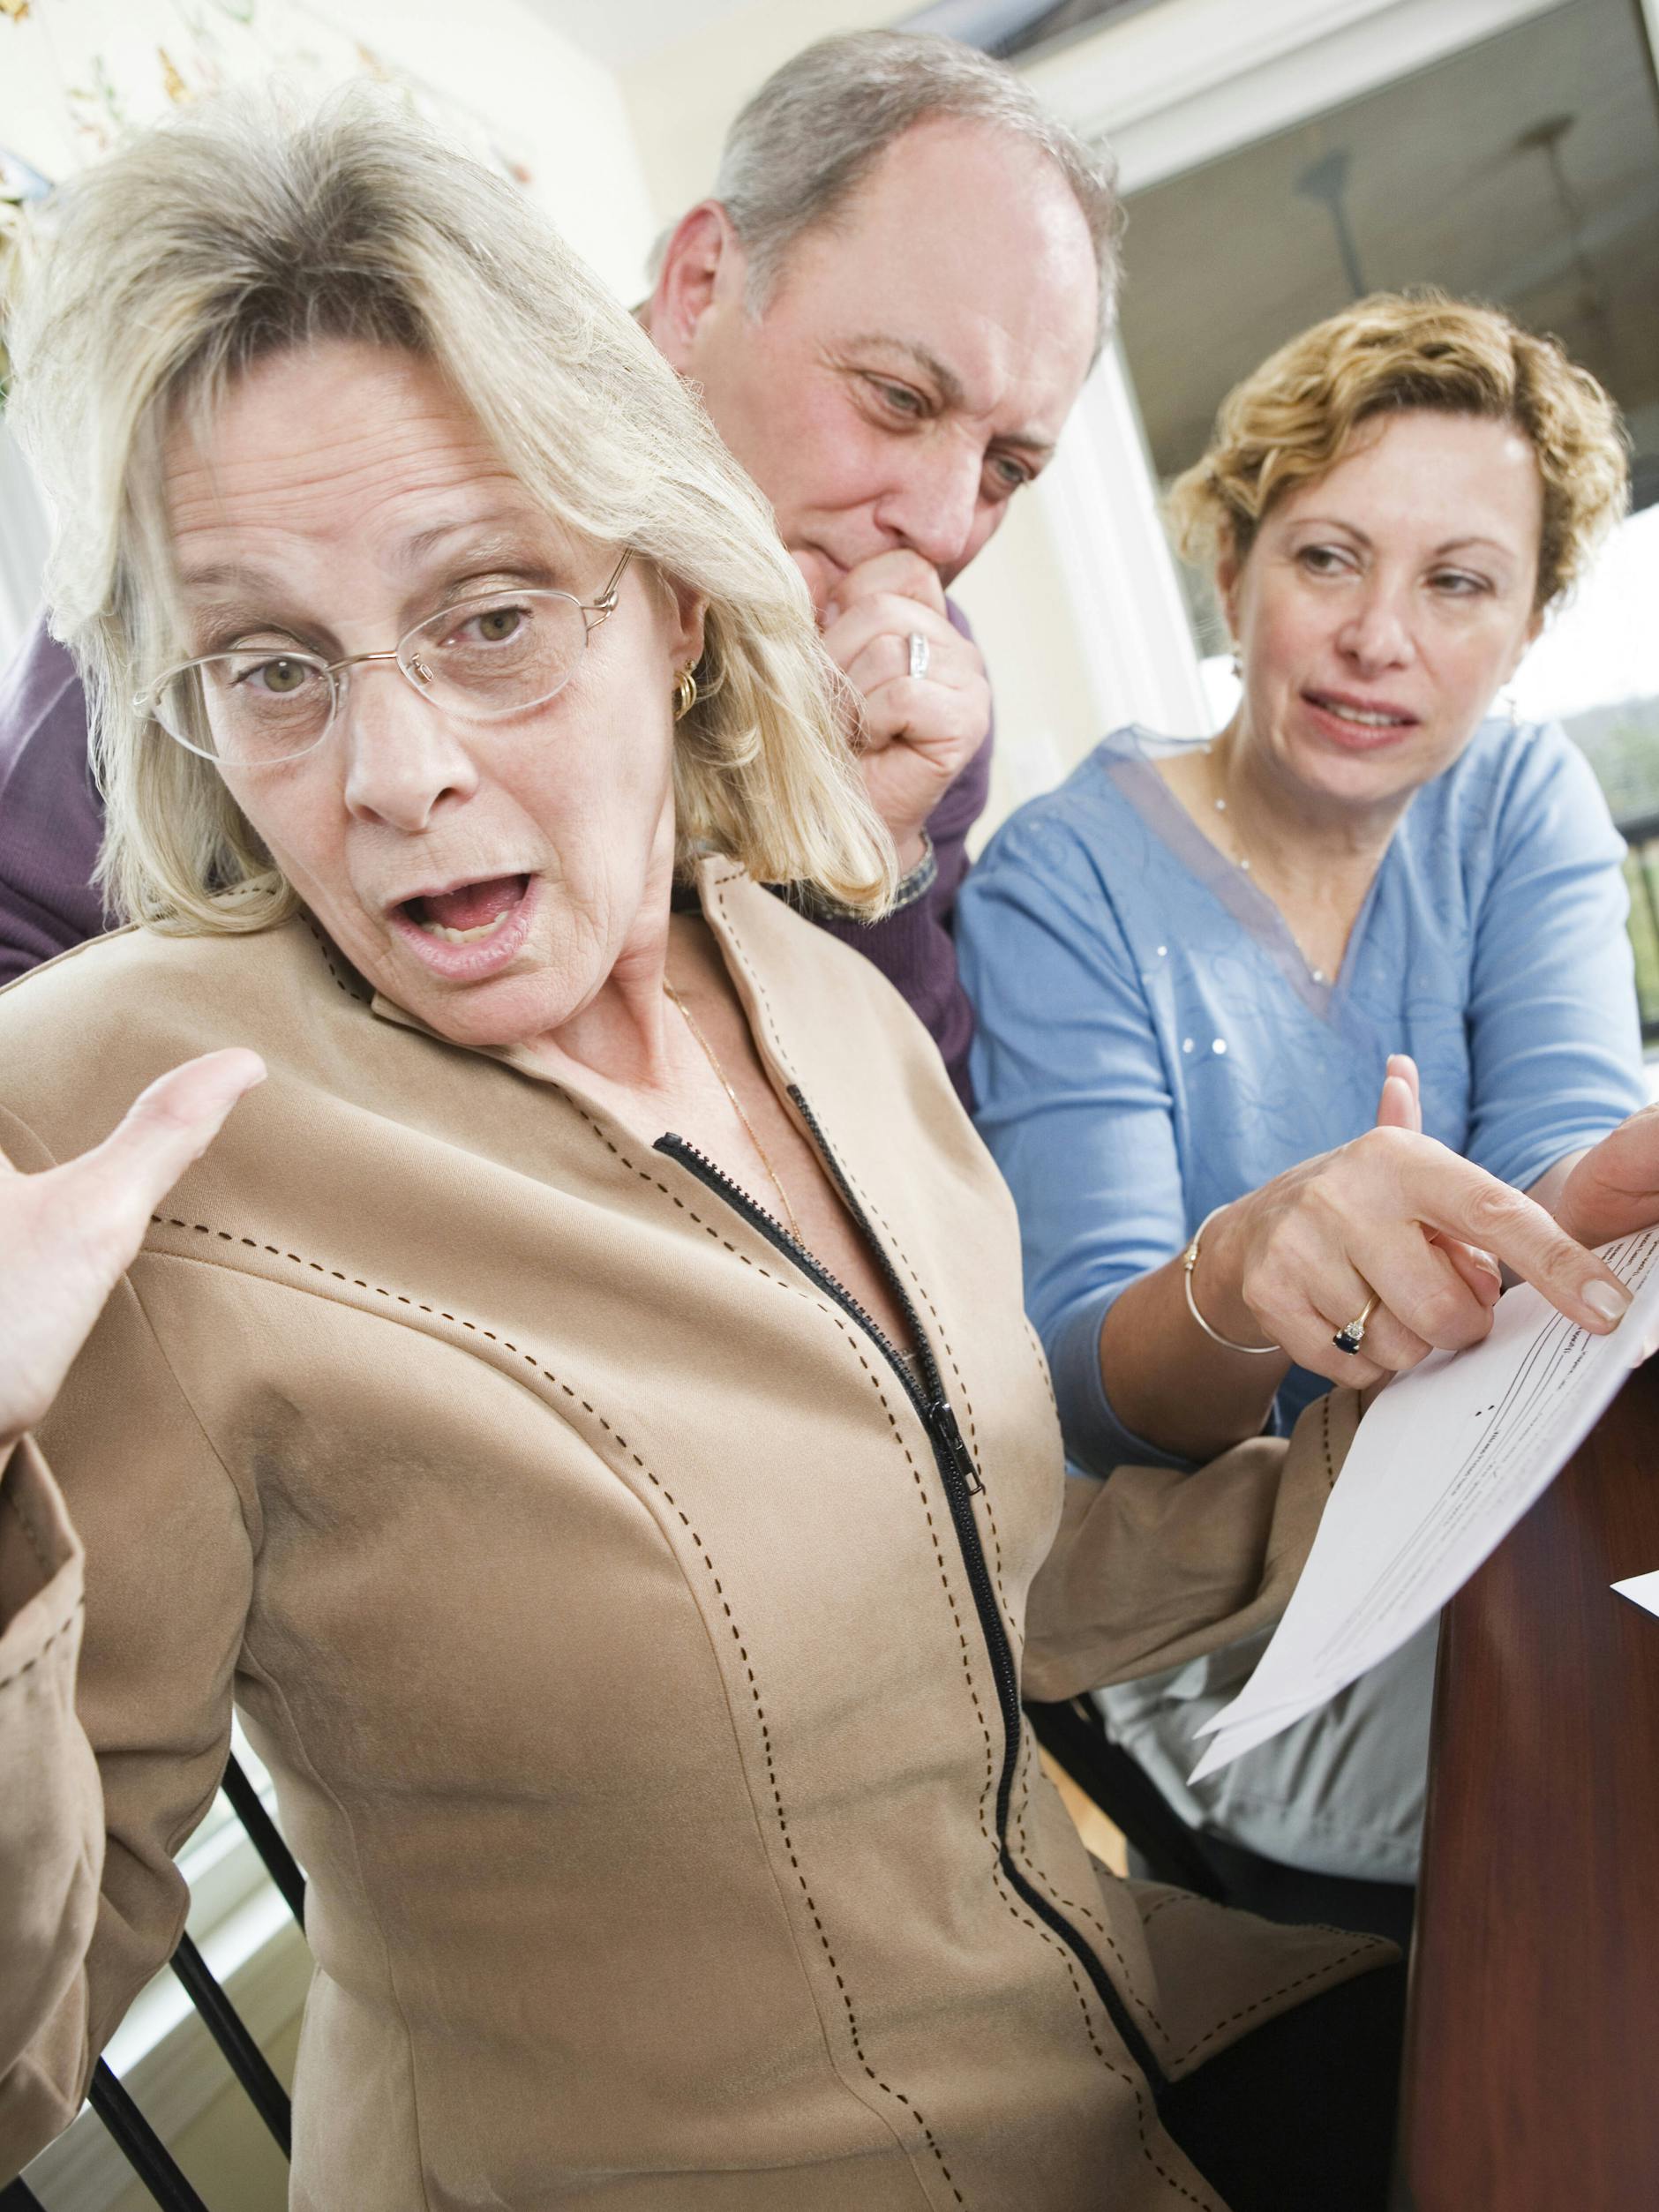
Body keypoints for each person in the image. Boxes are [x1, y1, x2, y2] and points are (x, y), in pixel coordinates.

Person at [9, 95, 1626, 2212]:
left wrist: (1470, 1400)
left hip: (1117, 2061)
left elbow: (982, 1557)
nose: (391, 772)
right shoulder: (116, 1108)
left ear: (677, 605)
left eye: (489, 617)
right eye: (271, 665)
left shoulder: (817, 978)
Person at [0, 31, 1114, 1100]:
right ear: (699, 281)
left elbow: (917, 1161)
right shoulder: (286, 495)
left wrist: (874, 861)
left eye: (1006, 468)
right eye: (897, 398)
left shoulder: (913, 690)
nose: (942, 525)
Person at [957, 291, 1648, 1912]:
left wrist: (1595, 1194)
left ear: (1528, 624)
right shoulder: (1062, 879)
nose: (1379, 637)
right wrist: (1248, 1264)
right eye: (1329, 557)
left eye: (1459, 582)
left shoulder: (1519, 798)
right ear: (1233, 571)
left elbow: (1559, 1161)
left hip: (1499, 1515)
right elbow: (1092, 1398)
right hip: (1242, 1608)